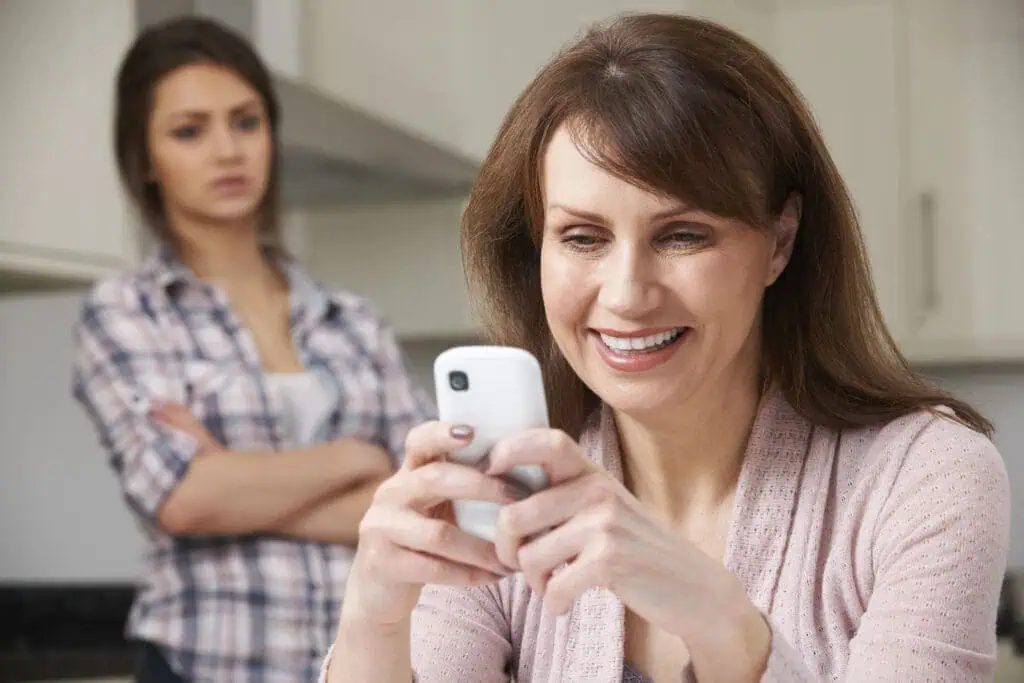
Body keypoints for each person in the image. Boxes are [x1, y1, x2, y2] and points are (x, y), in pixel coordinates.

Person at [319, 12, 1011, 683]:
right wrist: (371, 623)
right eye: (582, 238)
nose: (626, 295)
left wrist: (722, 624)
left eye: (682, 236)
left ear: (780, 241)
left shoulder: (924, 479)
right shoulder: (504, 501)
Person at [70, 16, 429, 683]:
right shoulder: (127, 311)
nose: (227, 150)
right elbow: (184, 499)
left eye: (246, 121)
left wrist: (237, 485)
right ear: (145, 159)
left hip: (360, 666)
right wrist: (354, 459)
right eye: (189, 130)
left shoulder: (352, 320)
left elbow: (428, 496)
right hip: (203, 665)